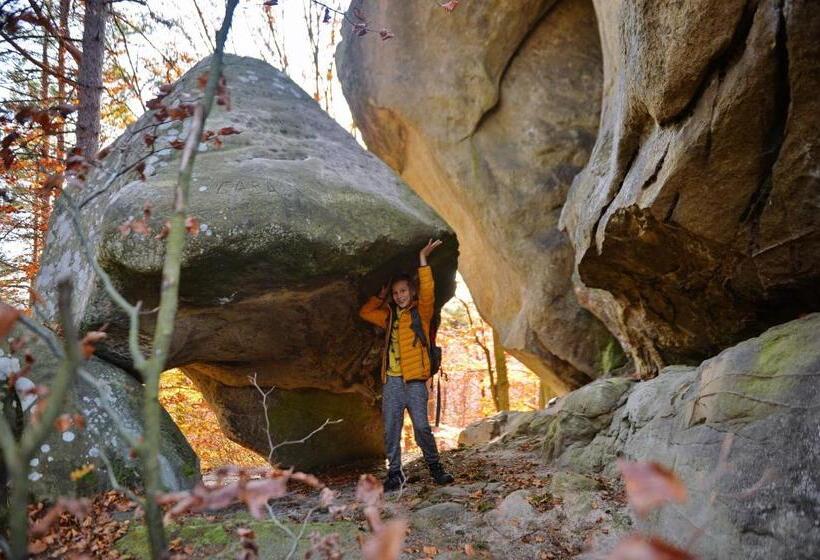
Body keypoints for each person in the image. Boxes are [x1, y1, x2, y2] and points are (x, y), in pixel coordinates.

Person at [359, 239, 455, 490]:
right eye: (395, 292)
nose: (399, 295)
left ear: (411, 291)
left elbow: (429, 291)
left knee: (422, 427)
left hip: (414, 381)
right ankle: (394, 475)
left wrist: (423, 259)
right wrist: (380, 297)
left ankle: (436, 469)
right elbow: (365, 313)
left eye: (403, 291)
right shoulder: (389, 317)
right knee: (391, 429)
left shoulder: (420, 313)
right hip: (391, 381)